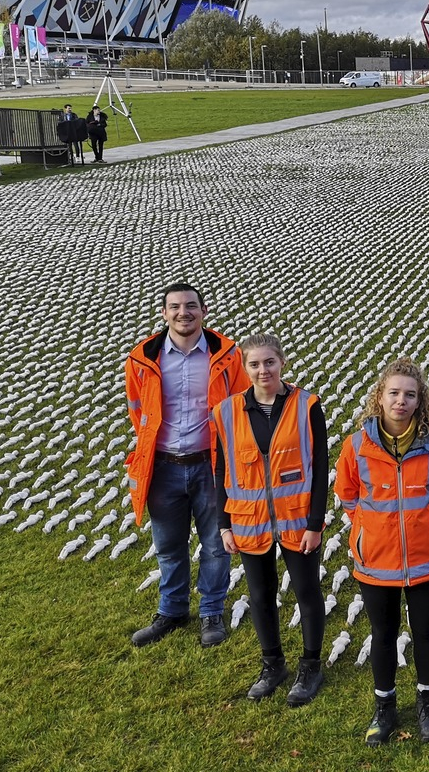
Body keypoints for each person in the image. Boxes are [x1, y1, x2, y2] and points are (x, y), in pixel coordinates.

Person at [337, 358, 429, 744]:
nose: (401, 401)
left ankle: (427, 700)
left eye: (410, 394)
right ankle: (384, 706)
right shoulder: (357, 445)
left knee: (425, 628)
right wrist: (371, 529)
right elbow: (348, 494)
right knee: (383, 631)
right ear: (380, 396)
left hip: (426, 556)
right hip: (376, 558)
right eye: (394, 393)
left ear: (420, 400)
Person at [125, 282, 247, 647]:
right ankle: (172, 610)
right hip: (162, 467)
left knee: (215, 544)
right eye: (175, 307)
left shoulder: (225, 356)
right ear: (164, 313)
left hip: (211, 465)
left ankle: (212, 612)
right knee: (168, 544)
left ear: (204, 311)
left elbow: (241, 405)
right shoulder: (142, 358)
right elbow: (138, 412)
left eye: (191, 306)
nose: (184, 313)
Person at [213, 335, 329, 706]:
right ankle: (272, 664)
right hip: (249, 520)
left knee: (306, 592)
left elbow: (321, 466)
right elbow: (220, 469)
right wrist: (223, 523)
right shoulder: (227, 412)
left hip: (297, 520)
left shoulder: (306, 405)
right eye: (254, 364)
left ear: (282, 363)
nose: (263, 371)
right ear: (244, 368)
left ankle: (310, 665)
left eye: (269, 362)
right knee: (260, 595)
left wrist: (316, 523)